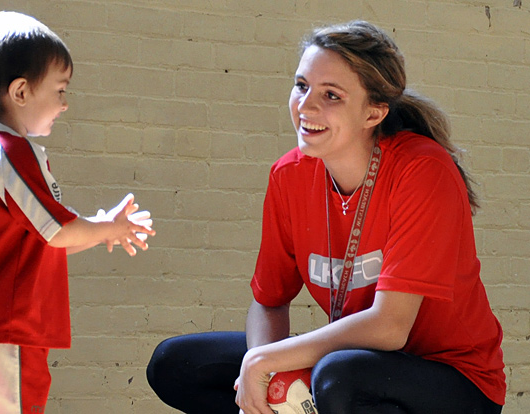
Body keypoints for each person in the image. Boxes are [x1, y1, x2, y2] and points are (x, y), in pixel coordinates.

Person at [146, 20, 505, 414]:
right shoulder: (289, 175)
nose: (306, 106)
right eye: (301, 86)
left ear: (374, 113)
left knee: (338, 377)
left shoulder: (422, 171)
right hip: (353, 365)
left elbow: (390, 327)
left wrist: (269, 362)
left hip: (454, 380)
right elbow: (269, 303)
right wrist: (265, 374)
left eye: (331, 95)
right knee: (177, 364)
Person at [0, 11, 156, 414]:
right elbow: (58, 231)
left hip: (15, 332)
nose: (64, 104)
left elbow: (46, 237)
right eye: (60, 90)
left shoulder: (12, 154)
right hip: (2, 331)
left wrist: (101, 230)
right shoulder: (7, 152)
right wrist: (103, 226)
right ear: (21, 92)